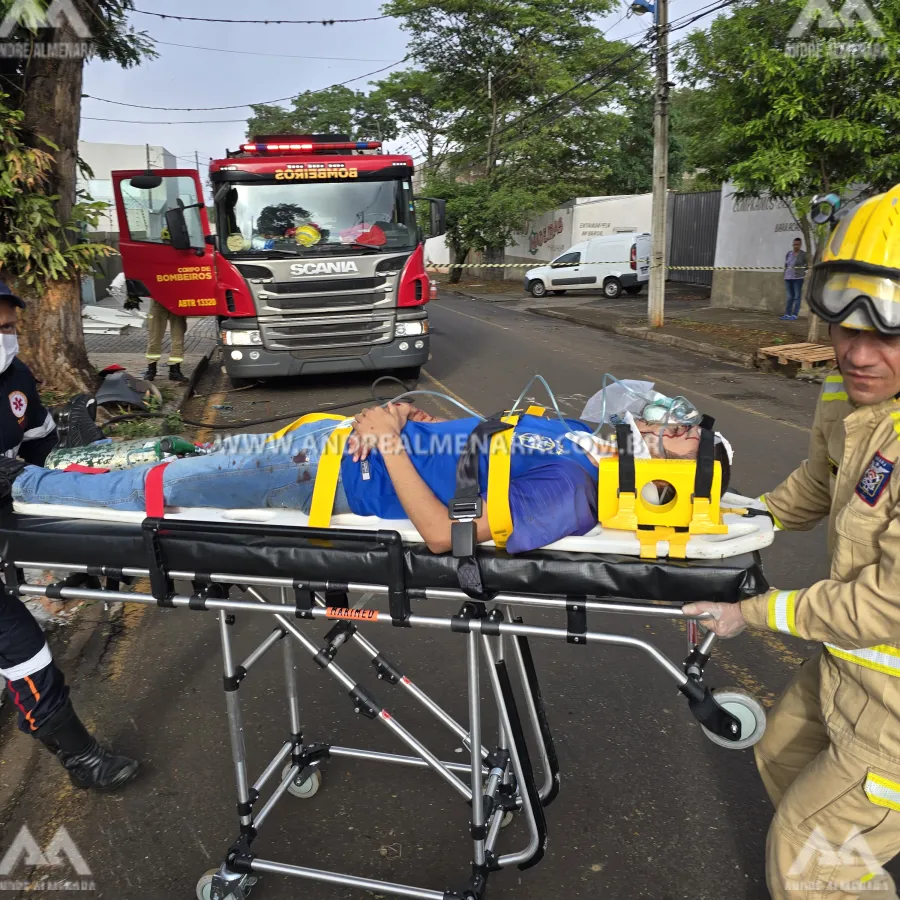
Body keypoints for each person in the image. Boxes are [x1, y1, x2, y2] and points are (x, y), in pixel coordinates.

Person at [684, 182, 900, 899]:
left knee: (808, 849)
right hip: (849, 671)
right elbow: (821, 480)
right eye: (845, 327)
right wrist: (734, 522)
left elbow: (885, 606)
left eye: (888, 332)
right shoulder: (855, 394)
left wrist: (754, 612)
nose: (858, 355)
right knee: (780, 752)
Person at [4, 401, 730, 556]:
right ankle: (56, 470)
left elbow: (448, 537)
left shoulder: (573, 493)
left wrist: (387, 446)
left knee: (159, 491)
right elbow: (476, 444)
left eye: (690, 432)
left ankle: (21, 488)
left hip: (321, 479)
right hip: (329, 443)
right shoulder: (586, 440)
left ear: (675, 472)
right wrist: (400, 413)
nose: (677, 421)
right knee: (174, 465)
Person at [0, 279, 139, 792]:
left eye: (10, 326)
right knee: (22, 646)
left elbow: (39, 454)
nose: (8, 336)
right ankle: (81, 758)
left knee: (21, 647)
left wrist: (59, 532)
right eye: (0, 328)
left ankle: (73, 751)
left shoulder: (15, 377)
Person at [142, 298, 188, 384]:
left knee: (178, 339)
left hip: (177, 302)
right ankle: (151, 369)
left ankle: (175, 370)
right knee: (154, 339)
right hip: (158, 302)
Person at [782, 236, 808, 321]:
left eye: (797, 244)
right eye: (794, 244)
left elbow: (807, 265)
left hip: (798, 278)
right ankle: (787, 314)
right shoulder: (788, 254)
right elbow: (786, 265)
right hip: (788, 278)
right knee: (790, 297)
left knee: (797, 296)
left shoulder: (803, 254)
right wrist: (784, 273)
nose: (796, 246)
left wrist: (802, 272)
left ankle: (795, 314)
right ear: (792, 245)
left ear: (800, 245)